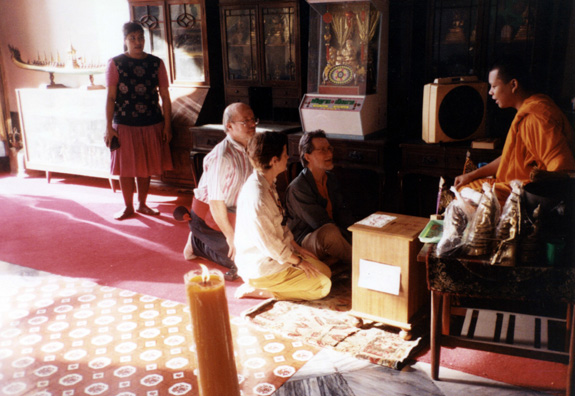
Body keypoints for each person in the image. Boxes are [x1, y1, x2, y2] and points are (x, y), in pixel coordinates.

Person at [454, 57, 575, 205]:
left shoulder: (535, 118)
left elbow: (561, 169)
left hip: (527, 192)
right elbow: (509, 158)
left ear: (513, 84)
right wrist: (472, 175)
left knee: (463, 195)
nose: (490, 92)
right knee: (466, 186)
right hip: (514, 183)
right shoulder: (530, 110)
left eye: (494, 86)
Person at [234, 132, 332, 300]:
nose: (287, 157)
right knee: (323, 286)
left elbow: (281, 225)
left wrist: (298, 249)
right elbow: (270, 245)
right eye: (285, 154)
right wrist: (299, 262)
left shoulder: (267, 183)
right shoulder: (257, 197)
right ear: (274, 161)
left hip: (278, 257)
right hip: (263, 266)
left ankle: (276, 284)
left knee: (325, 272)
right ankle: (262, 290)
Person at [104, 21, 173, 220]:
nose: (138, 42)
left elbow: (166, 97)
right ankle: (128, 207)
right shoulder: (115, 63)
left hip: (152, 122)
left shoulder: (156, 63)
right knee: (125, 168)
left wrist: (168, 125)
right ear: (125, 40)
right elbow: (110, 97)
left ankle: (142, 204)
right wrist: (108, 127)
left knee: (145, 166)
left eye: (141, 38)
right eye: (132, 38)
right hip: (124, 123)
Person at [181, 102, 257, 281]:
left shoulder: (251, 145)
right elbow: (216, 203)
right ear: (229, 126)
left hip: (236, 215)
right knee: (243, 261)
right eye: (246, 121)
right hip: (209, 218)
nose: (253, 124)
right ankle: (197, 242)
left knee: (266, 253)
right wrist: (231, 237)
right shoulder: (222, 157)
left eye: (253, 119)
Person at [285, 130, 354, 267]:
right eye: (322, 150)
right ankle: (363, 263)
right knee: (330, 233)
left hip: (332, 234)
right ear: (308, 157)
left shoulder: (331, 179)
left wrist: (356, 233)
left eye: (329, 149)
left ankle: (337, 257)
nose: (329, 154)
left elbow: (342, 213)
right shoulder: (298, 188)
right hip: (304, 241)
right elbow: (320, 223)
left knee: (356, 231)